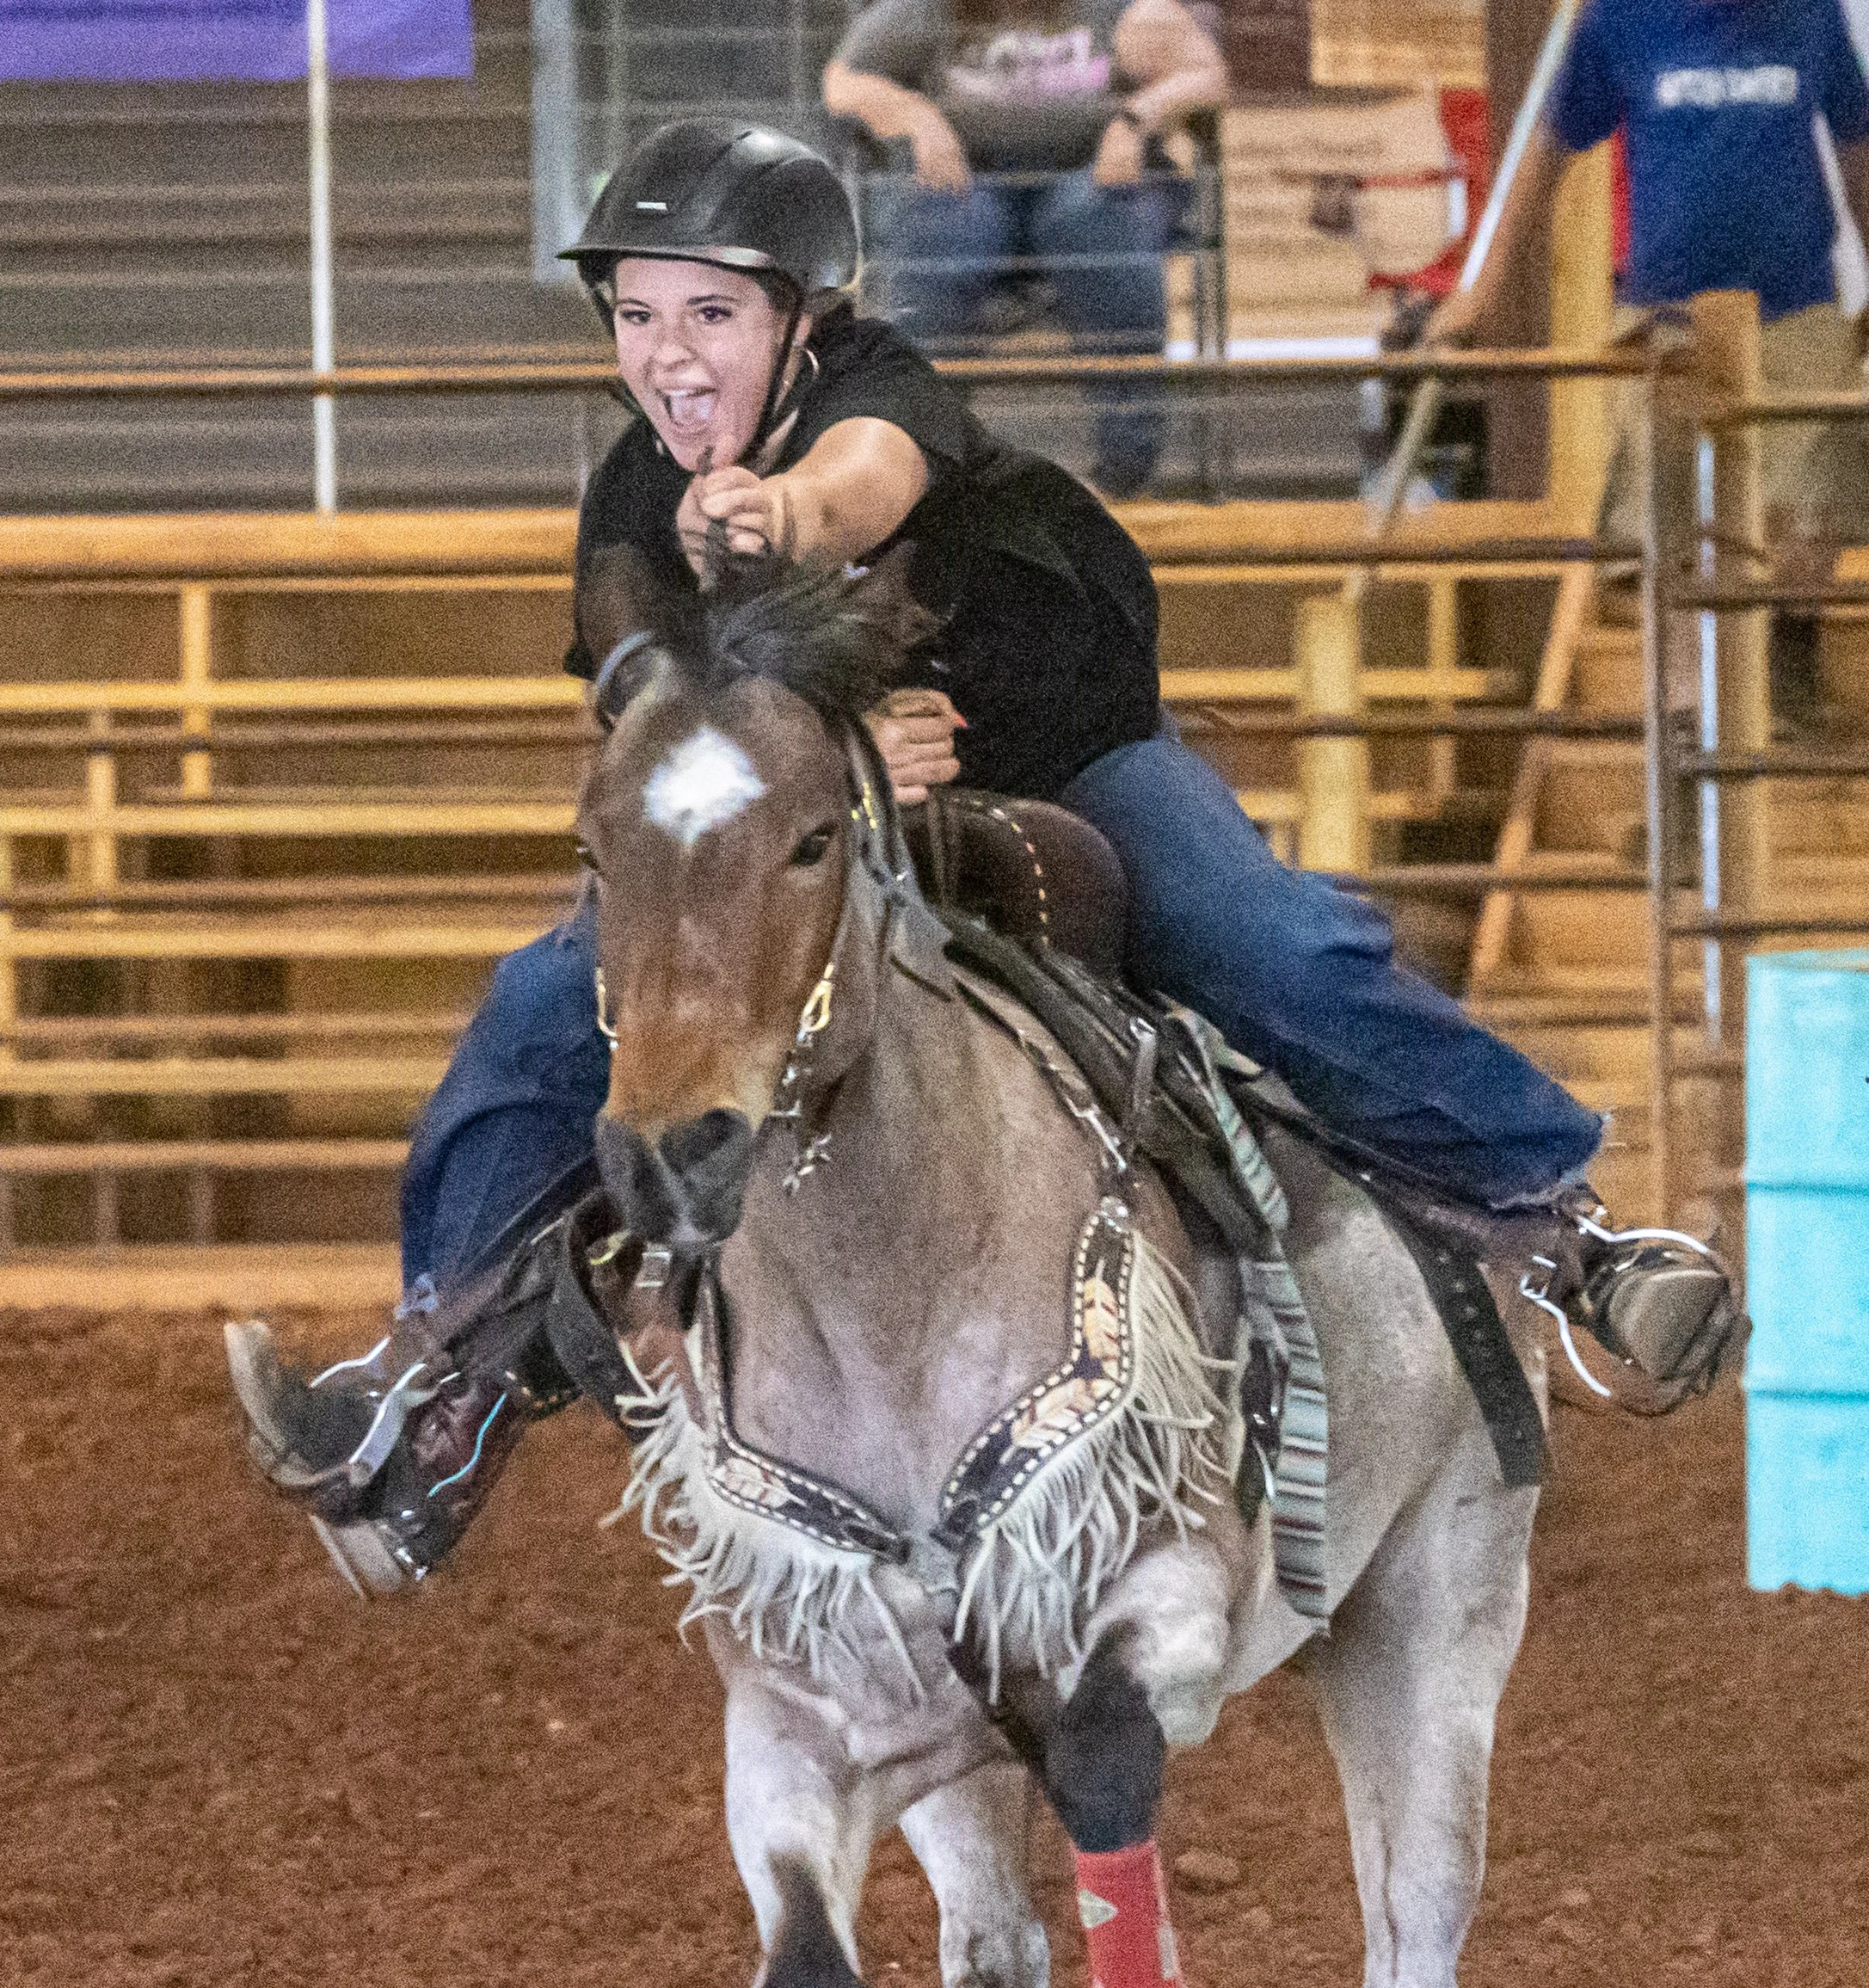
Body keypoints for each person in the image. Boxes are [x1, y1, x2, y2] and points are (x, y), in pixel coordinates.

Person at [227, 120, 1738, 1596]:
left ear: (801, 319)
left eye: (707, 312)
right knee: (544, 1009)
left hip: (1058, 751)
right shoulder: (627, 497)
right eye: (635, 314)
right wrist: (831, 767)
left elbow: (863, 483)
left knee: (1261, 936)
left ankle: (1571, 1236)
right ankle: (434, 1383)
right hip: (814, 806)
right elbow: (651, 725)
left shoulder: (878, 395)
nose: (666, 351)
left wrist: (778, 514)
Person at [1428, 0, 1869, 721]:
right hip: (1668, 313)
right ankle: (1686, 718)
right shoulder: (1620, 20)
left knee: (1816, 490)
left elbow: (1858, 154)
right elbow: (1545, 150)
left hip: (1795, 302)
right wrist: (1482, 288)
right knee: (1666, 519)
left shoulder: (1810, 16)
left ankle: (1788, 643)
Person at [823, 0, 1228, 495]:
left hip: (1088, 172)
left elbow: (1207, 75)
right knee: (940, 242)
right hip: (968, 177)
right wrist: (916, 115)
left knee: (1106, 232)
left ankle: (1124, 475)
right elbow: (842, 82)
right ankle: (922, 461)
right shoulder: (923, 10)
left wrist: (1136, 118)